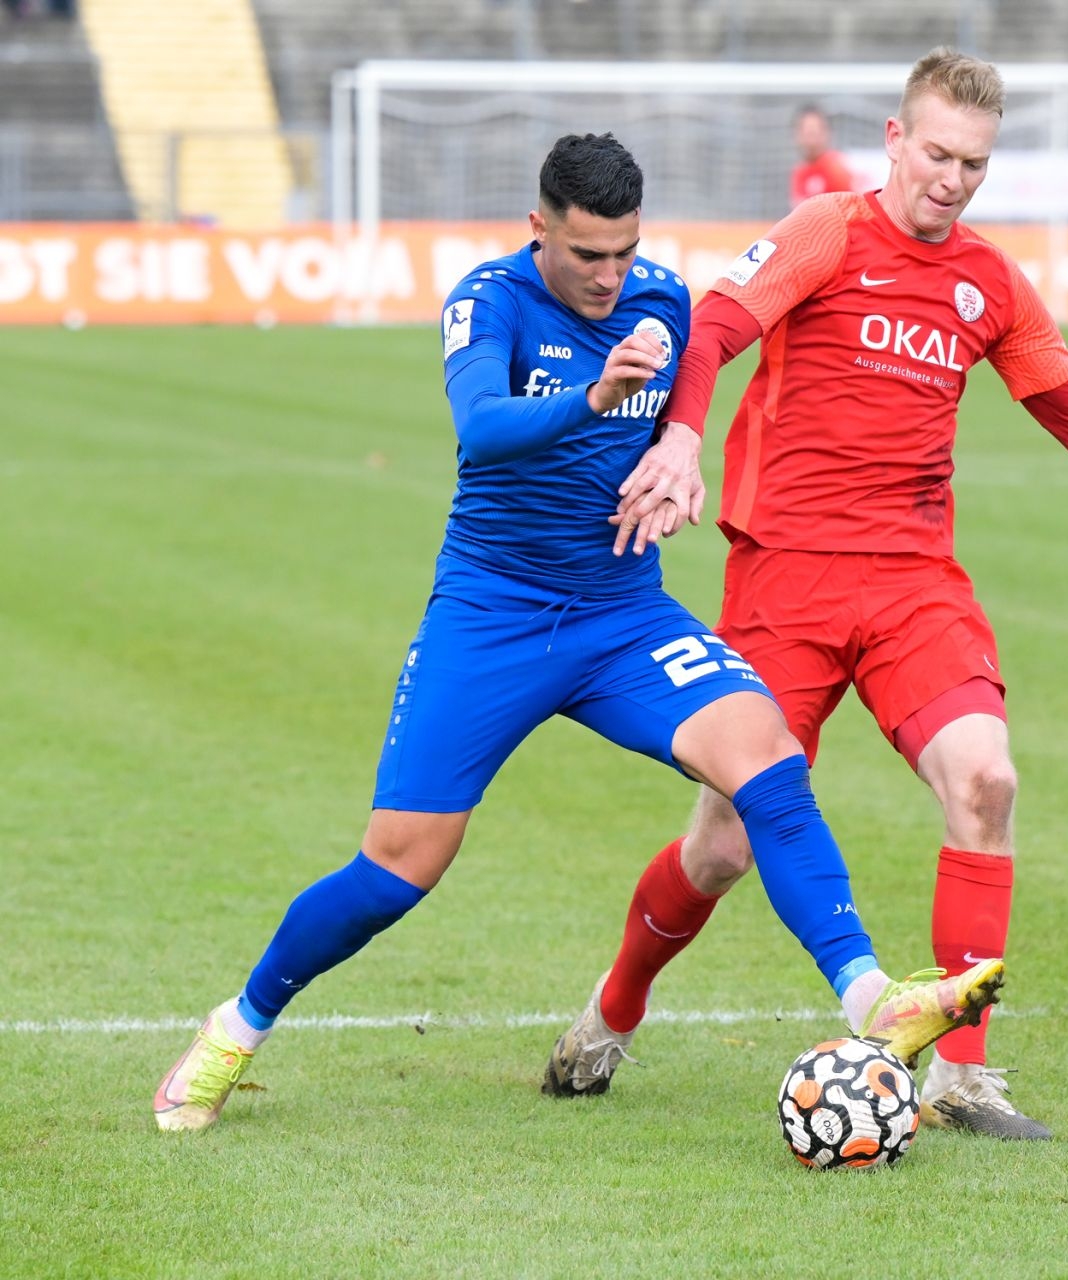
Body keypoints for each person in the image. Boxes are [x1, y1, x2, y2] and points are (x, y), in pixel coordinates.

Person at [151, 134, 1001, 1134]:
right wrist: (594, 397)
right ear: (540, 228)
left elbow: (691, 387)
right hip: (492, 615)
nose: (609, 276)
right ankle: (237, 1025)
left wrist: (677, 456)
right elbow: (482, 425)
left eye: (625, 252)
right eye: (588, 254)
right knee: (397, 867)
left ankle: (870, 997)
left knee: (766, 753)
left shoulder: (661, 299)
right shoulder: (491, 300)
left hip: (621, 613)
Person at [542, 49, 1068, 1140]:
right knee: (724, 843)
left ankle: (963, 1076)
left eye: (973, 164)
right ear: (896, 139)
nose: (952, 179)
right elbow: (714, 328)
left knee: (986, 780)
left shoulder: (990, 281)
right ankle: (614, 1010)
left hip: (913, 582)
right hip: (786, 576)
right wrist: (685, 436)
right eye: (937, 154)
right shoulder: (827, 233)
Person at [790, 104, 855, 207]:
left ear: (827, 132)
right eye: (806, 132)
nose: (810, 139)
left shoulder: (837, 167)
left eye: (814, 131)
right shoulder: (799, 172)